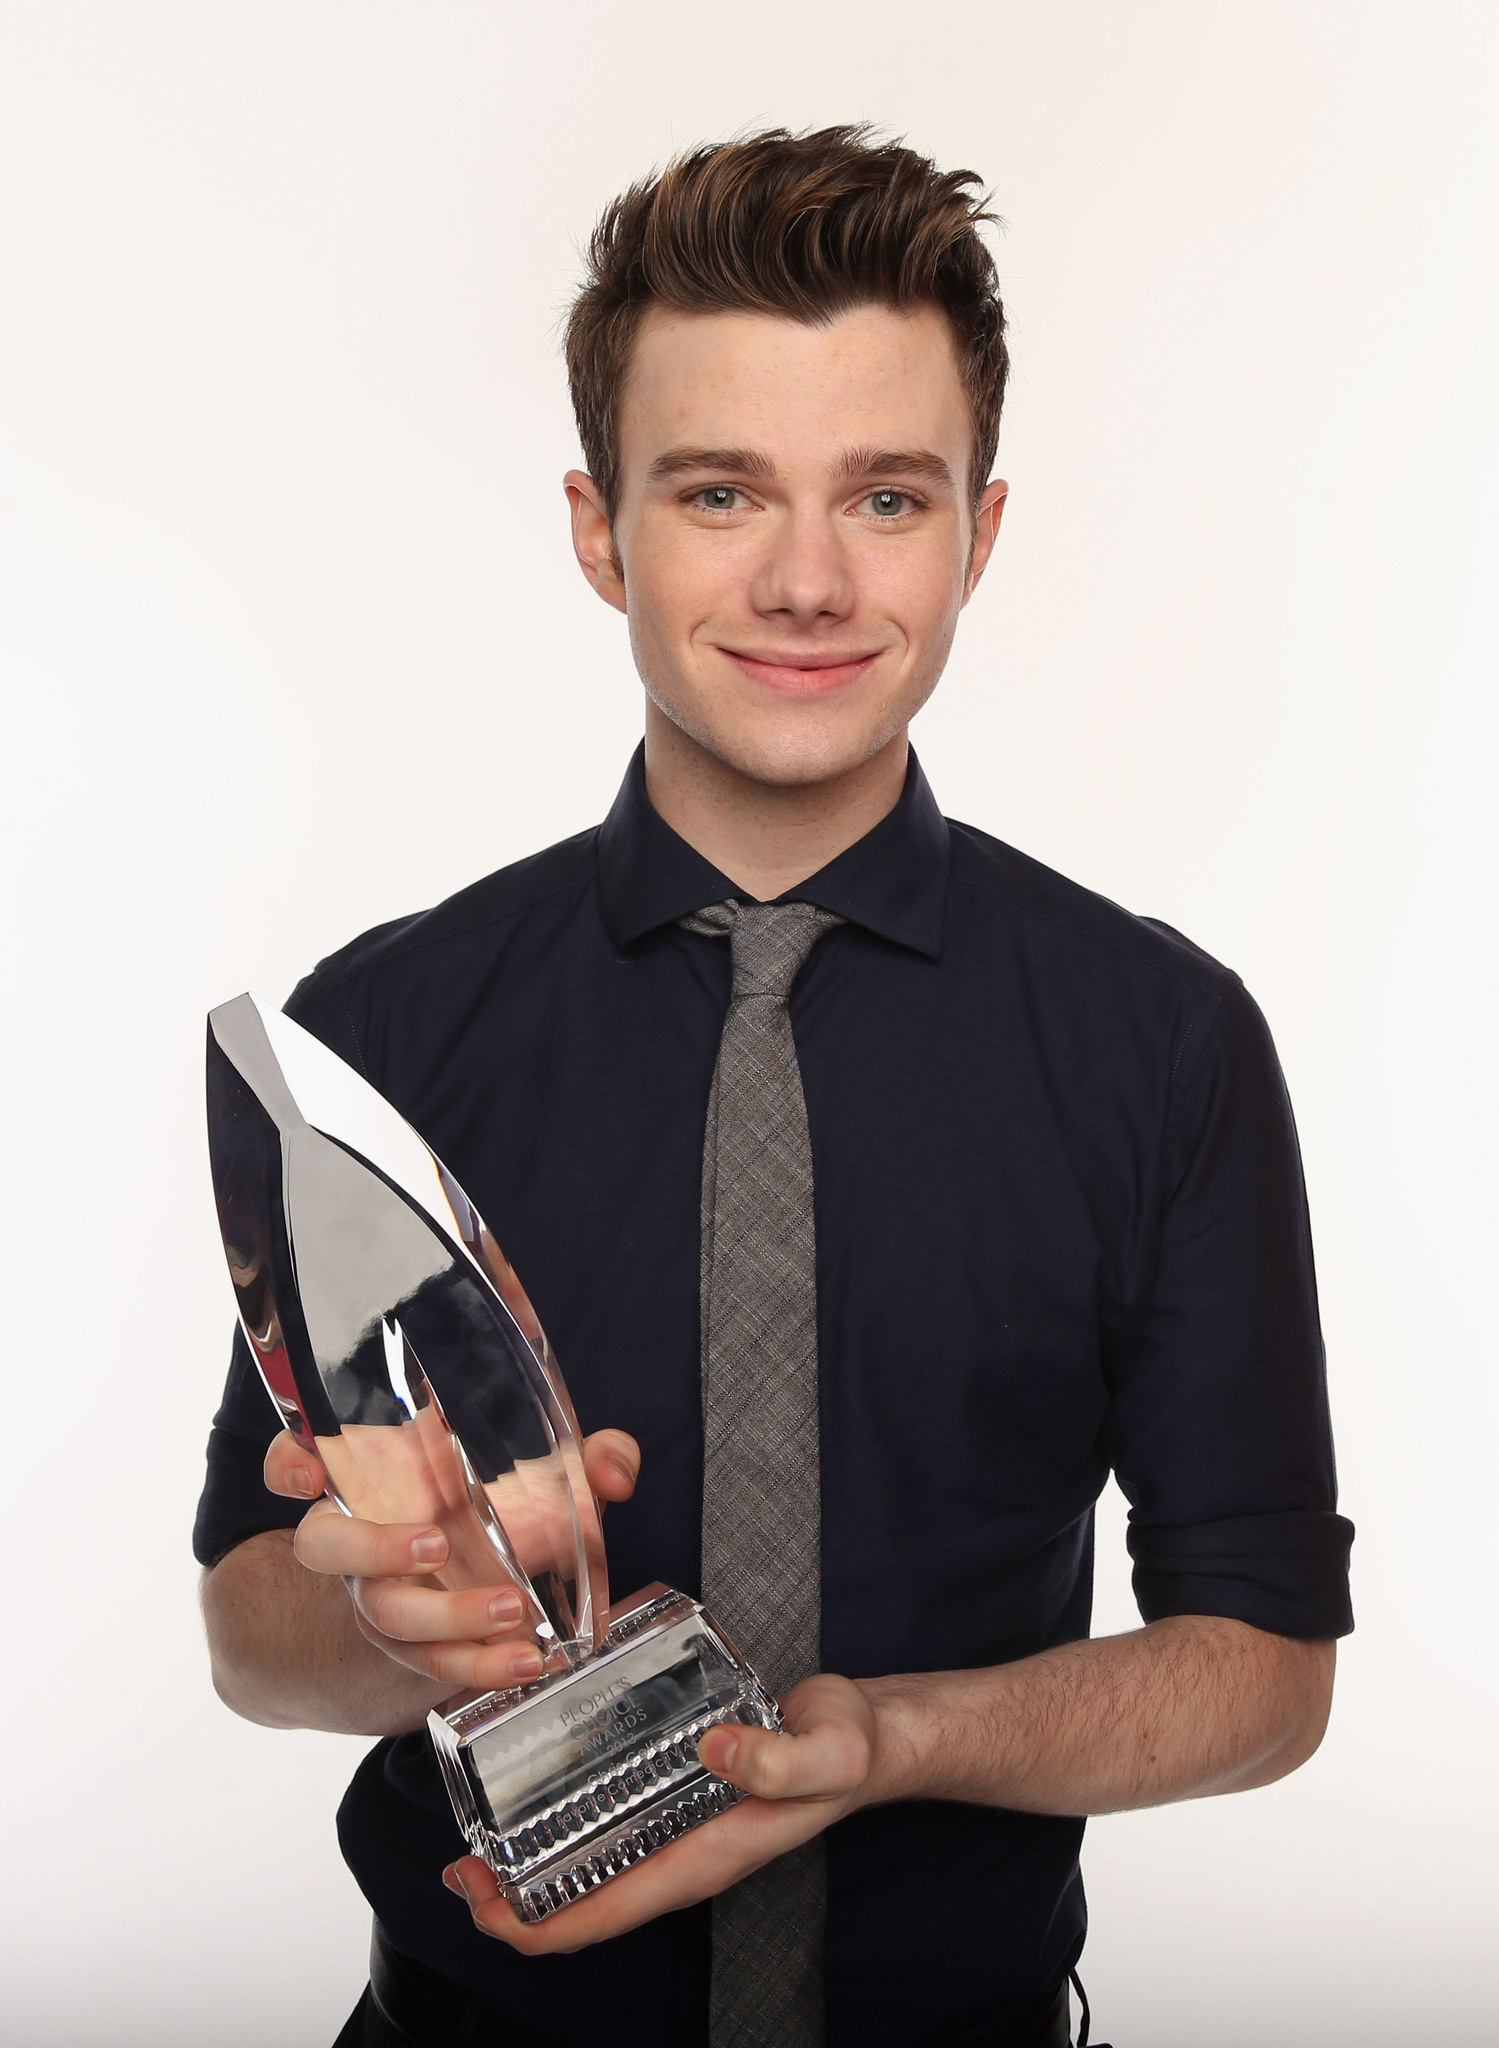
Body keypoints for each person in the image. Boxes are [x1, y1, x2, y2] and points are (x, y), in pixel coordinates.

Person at [195, 127, 1353, 2048]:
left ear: (979, 533)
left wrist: (896, 1741)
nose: (808, 580)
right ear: (601, 531)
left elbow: (1267, 1665)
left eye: (886, 497)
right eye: (721, 490)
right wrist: (406, 1624)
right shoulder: (384, 1030)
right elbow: (252, 1627)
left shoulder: (1165, 1043)